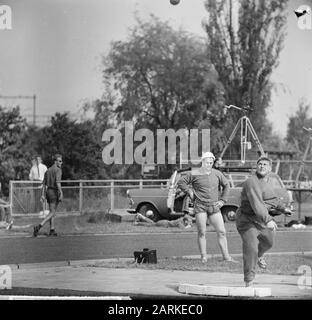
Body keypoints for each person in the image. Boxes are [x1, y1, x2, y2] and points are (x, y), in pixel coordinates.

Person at [236, 156, 288, 287]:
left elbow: (273, 199)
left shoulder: (266, 182)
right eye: (260, 164)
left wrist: (283, 208)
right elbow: (256, 203)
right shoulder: (251, 182)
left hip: (259, 220)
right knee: (251, 247)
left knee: (269, 242)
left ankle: (259, 255)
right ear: (256, 167)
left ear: (270, 169)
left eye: (265, 164)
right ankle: (249, 280)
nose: (262, 166)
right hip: (246, 220)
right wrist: (268, 219)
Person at [177, 151, 236, 263]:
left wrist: (223, 200)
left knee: (222, 231)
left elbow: (227, 185)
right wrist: (189, 191)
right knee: (202, 232)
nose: (209, 165)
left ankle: (226, 257)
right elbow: (181, 182)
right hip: (200, 207)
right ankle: (204, 257)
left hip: (214, 207)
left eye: (211, 162)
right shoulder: (194, 173)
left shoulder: (217, 173)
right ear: (202, 162)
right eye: (207, 162)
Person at [33, 154, 63, 237]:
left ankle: (52, 230)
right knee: (52, 212)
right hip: (54, 191)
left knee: (51, 211)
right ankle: (39, 226)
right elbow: (58, 182)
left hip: (48, 192)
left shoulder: (48, 170)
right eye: (60, 161)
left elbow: (44, 184)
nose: (61, 162)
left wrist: (43, 195)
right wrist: (61, 192)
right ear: (55, 161)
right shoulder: (58, 170)